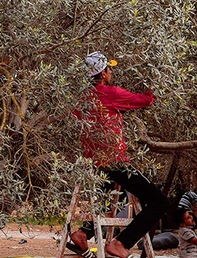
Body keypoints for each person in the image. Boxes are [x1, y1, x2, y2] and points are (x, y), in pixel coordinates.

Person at [68, 51, 169, 258]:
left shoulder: (82, 98)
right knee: (160, 203)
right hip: (114, 161)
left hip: (93, 162)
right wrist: (156, 82)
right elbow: (145, 100)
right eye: (109, 68)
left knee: (117, 196)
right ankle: (121, 243)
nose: (111, 72)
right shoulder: (108, 93)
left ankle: (82, 234)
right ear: (103, 73)